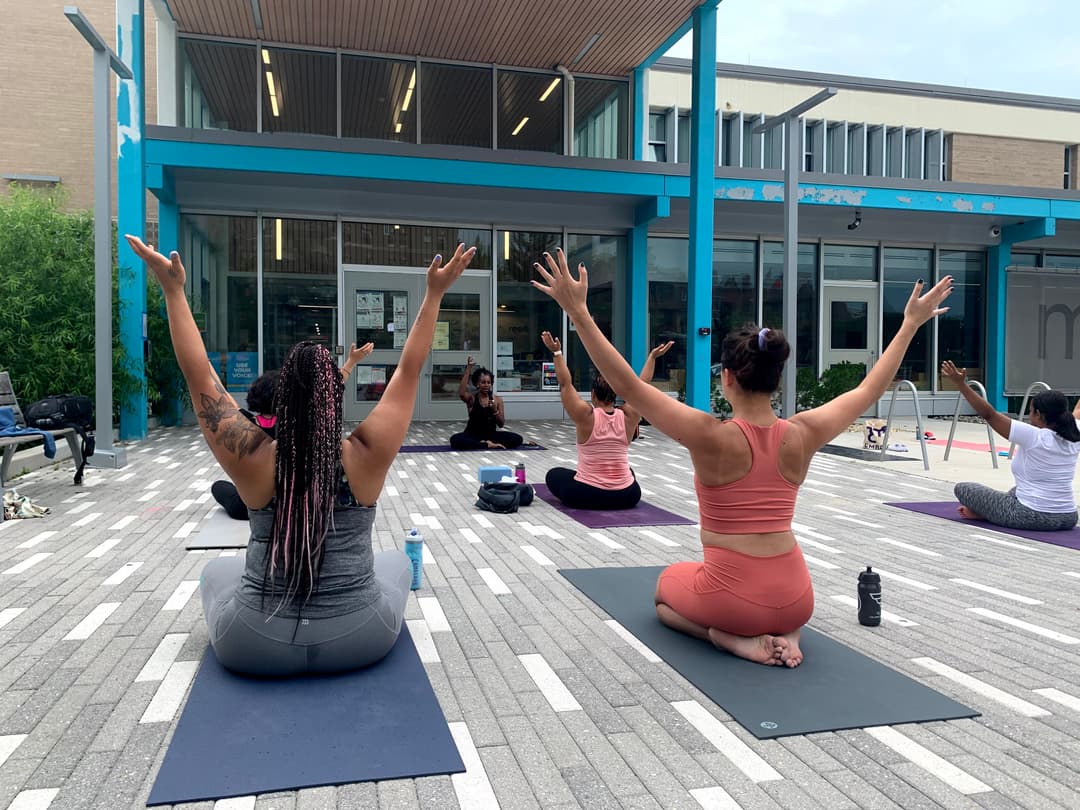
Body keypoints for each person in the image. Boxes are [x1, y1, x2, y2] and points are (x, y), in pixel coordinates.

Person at [533, 247, 952, 667]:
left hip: (735, 603)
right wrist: (910, 324)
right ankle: (788, 634)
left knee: (664, 593)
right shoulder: (802, 434)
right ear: (775, 380)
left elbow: (628, 384)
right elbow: (867, 392)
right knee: (768, 601)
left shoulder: (711, 436)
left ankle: (729, 640)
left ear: (727, 378)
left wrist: (579, 312)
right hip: (798, 599)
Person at [126, 234, 475, 676]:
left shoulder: (252, 455)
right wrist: (435, 293)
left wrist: (173, 291)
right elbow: (409, 369)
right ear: (336, 394)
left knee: (218, 570)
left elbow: (198, 372)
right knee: (396, 565)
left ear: (281, 398)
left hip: (253, 643)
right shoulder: (366, 454)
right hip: (360, 637)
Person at [541, 331, 673, 509]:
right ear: (615, 394)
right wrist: (652, 357)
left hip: (589, 494)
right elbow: (643, 386)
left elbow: (565, 384)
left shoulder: (585, 416)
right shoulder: (630, 415)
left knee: (554, 475)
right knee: (629, 473)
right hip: (627, 495)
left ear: (593, 394)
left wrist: (557, 353)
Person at [942, 361, 1080, 531]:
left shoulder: (1034, 436)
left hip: (1033, 516)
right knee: (1016, 490)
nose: (1029, 417)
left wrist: (960, 384)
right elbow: (1078, 411)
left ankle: (985, 514)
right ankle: (988, 512)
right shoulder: (1075, 432)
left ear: (1039, 414)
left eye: (1031, 412)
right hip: (1068, 516)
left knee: (964, 489)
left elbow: (989, 415)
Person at [211, 369, 279, 520]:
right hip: (284, 504)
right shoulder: (291, 426)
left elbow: (225, 398)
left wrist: (209, 369)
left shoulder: (246, 424)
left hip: (248, 506)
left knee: (218, 486)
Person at [449, 358, 524, 450]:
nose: (486, 385)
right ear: (477, 384)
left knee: (517, 439)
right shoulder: (472, 398)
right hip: (472, 435)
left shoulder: (498, 399)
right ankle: (487, 445)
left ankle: (485, 444)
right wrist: (469, 368)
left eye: (488, 382)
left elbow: (501, 424)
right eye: (483, 382)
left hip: (491, 436)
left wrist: (495, 411)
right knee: (455, 440)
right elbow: (461, 393)